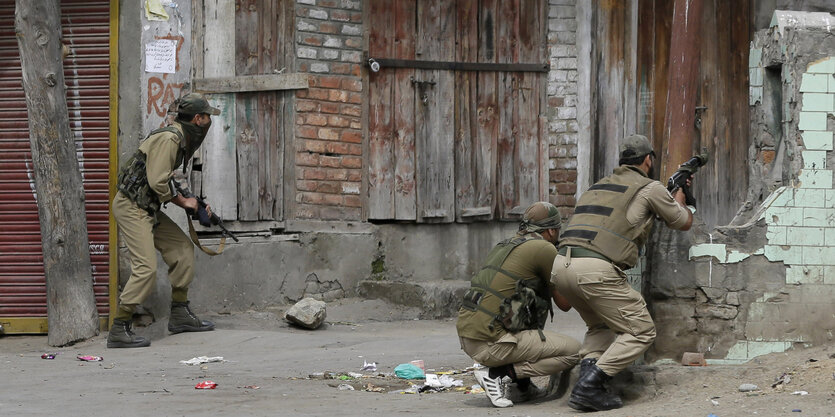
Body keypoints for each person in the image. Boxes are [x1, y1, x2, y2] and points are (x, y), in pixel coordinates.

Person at [552, 134, 693, 411]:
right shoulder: (650, 188)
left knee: (600, 326)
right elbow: (682, 221)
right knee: (641, 331)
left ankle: (590, 385)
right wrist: (679, 197)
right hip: (595, 269)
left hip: (560, 267)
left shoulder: (596, 186)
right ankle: (590, 383)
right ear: (648, 160)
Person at [107, 93, 221, 348]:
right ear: (197, 118)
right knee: (146, 269)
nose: (208, 123)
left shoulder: (179, 138)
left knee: (182, 250)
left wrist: (196, 203)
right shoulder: (170, 138)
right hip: (132, 207)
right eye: (206, 118)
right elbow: (158, 181)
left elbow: (172, 179)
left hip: (148, 208)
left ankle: (180, 314)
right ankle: (119, 327)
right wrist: (183, 203)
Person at [456, 202, 581, 408]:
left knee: (527, 307)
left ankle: (520, 386)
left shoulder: (506, 245)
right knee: (574, 351)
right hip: (491, 344)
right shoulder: (544, 248)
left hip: (468, 336)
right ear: (551, 230)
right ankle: (498, 374)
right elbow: (565, 303)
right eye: (558, 230)